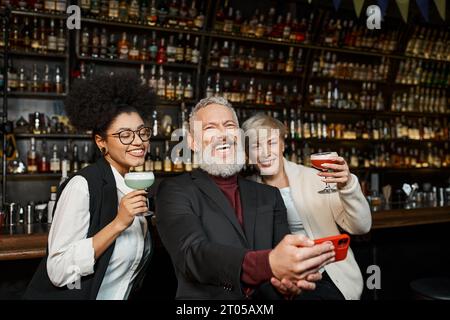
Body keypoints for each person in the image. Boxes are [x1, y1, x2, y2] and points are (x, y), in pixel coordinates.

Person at [156, 97, 337, 300]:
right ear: (192, 142)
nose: (223, 135)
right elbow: (192, 255)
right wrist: (268, 263)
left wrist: (290, 284)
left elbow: (285, 257)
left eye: (229, 126)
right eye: (210, 128)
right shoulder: (174, 191)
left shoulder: (269, 195)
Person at [24, 73, 156, 300]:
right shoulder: (82, 186)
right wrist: (118, 224)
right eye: (124, 135)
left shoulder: (133, 186)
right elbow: (58, 270)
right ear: (101, 141)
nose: (138, 141)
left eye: (142, 132)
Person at [241, 113, 372, 300]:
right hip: (277, 278)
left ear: (283, 144)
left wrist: (348, 185)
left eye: (270, 142)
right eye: (255, 146)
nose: (264, 152)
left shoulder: (315, 179)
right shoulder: (246, 191)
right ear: (247, 154)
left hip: (326, 274)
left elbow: (361, 226)